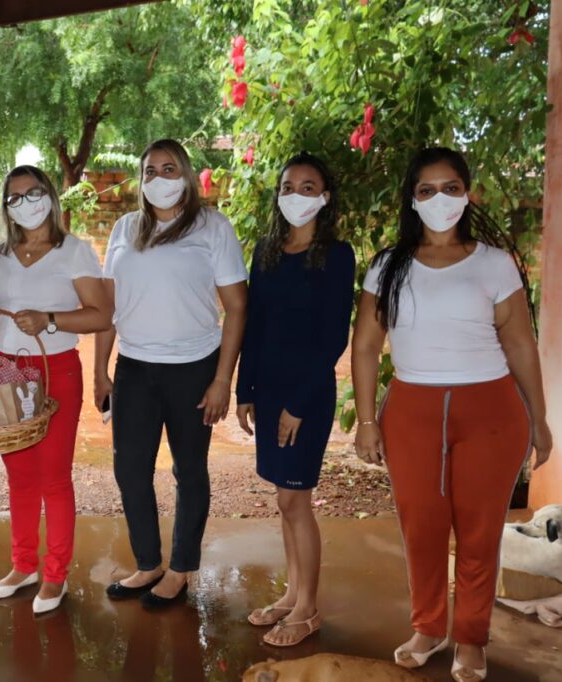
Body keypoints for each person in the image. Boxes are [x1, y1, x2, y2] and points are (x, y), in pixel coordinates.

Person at [352, 147, 553, 681]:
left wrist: (539, 418)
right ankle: (428, 627)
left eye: (450, 188)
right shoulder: (387, 266)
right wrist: (367, 421)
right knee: (421, 527)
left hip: (490, 412)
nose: (439, 199)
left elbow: (520, 344)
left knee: (480, 532)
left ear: (467, 194)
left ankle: (470, 637)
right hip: (412, 412)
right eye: (426, 190)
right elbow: (366, 345)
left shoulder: (494, 263)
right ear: (412, 199)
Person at [94, 139, 248, 609]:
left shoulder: (212, 227)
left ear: (185, 174)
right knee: (130, 470)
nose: (159, 179)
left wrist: (222, 379)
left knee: (189, 470)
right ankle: (148, 564)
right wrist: (100, 370)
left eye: (169, 169)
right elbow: (108, 308)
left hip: (194, 369)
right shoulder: (125, 228)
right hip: (135, 369)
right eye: (150, 171)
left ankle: (180, 568)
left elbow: (237, 306)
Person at [0, 165, 111, 615]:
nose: (25, 203)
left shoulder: (74, 252)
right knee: (19, 474)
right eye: (14, 197)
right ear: (5, 206)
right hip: (4, 369)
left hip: (55, 371)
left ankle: (55, 575)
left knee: (54, 476)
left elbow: (101, 314)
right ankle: (23, 565)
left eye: (33, 193)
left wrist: (50, 319)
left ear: (49, 195)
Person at [235, 152, 355, 646]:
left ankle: (308, 608)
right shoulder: (266, 250)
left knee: (294, 498)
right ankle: (291, 594)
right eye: (288, 186)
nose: (296, 195)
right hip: (268, 390)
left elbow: (333, 338)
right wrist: (245, 389)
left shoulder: (337, 255)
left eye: (308, 187)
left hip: (306, 395)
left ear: (324, 198)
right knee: (285, 500)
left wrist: (299, 405)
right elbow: (254, 324)